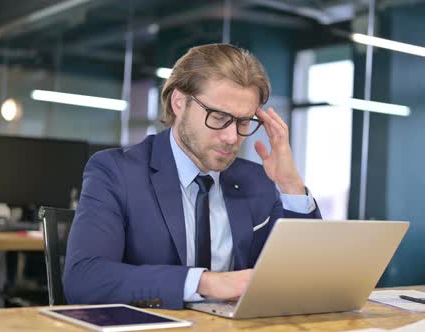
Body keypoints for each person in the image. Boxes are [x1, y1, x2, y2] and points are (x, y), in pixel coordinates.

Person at [63, 43, 322, 309]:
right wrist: (206, 283)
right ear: (179, 102)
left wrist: (290, 186)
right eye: (219, 117)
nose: (232, 137)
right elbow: (84, 279)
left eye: (243, 122)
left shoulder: (257, 179)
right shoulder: (116, 172)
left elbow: (306, 279)